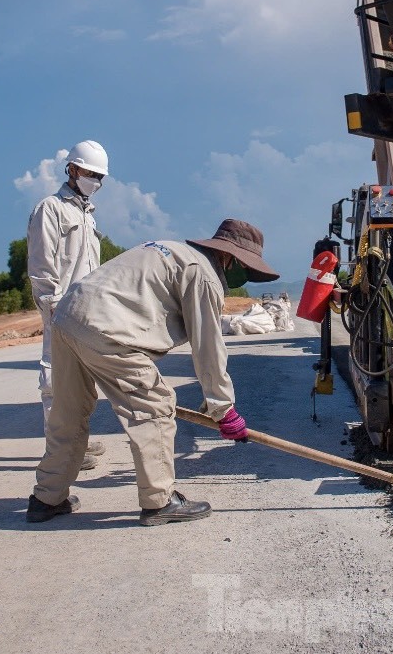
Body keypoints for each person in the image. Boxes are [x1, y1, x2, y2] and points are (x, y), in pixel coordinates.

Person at [25, 218, 279, 526]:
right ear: (228, 256)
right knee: (155, 407)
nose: (244, 276)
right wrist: (223, 409)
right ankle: (160, 501)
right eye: (245, 268)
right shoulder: (204, 276)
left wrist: (212, 404)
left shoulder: (172, 251)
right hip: (108, 329)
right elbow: (208, 348)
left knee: (68, 412)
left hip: (67, 316)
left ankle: (46, 498)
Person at [26, 139, 109, 471]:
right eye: (90, 173)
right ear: (72, 169)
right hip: (60, 308)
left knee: (82, 379)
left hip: (86, 309)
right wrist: (53, 306)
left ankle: (78, 438)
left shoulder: (86, 214)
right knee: (56, 377)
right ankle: (59, 447)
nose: (96, 181)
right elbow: (42, 264)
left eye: (100, 176)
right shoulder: (51, 209)